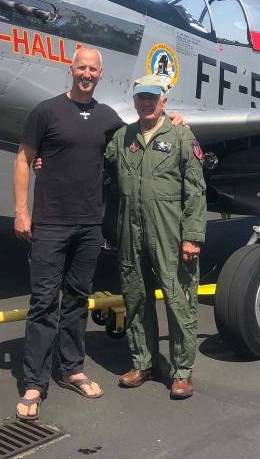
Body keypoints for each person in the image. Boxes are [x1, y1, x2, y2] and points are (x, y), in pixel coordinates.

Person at [13, 47, 123, 420]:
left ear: (100, 74)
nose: (87, 74)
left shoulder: (108, 118)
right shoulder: (46, 111)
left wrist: (173, 121)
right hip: (50, 223)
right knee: (44, 302)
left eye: (93, 69)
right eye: (81, 68)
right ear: (70, 69)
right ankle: (34, 382)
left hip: (89, 225)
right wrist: (21, 212)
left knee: (77, 299)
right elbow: (24, 159)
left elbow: (136, 141)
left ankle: (72, 369)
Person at [104, 75, 207, 399]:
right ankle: (142, 362)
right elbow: (93, 160)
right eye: (141, 98)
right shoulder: (122, 137)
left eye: (152, 97)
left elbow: (196, 190)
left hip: (170, 233)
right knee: (136, 298)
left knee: (179, 301)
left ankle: (182, 372)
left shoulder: (180, 136)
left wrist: (192, 236)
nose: (146, 103)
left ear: (163, 100)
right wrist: (44, 159)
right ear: (134, 101)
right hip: (131, 233)